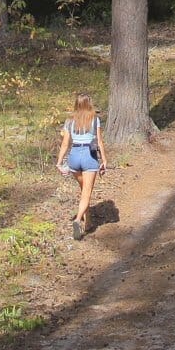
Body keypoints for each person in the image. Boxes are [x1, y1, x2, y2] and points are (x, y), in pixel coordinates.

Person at [55, 93, 109, 240]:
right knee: (86, 191)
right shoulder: (94, 119)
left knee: (83, 189)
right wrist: (104, 160)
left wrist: (59, 162)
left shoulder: (69, 121)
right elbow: (99, 142)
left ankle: (88, 221)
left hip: (74, 156)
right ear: (89, 104)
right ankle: (78, 220)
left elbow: (65, 144)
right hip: (88, 156)